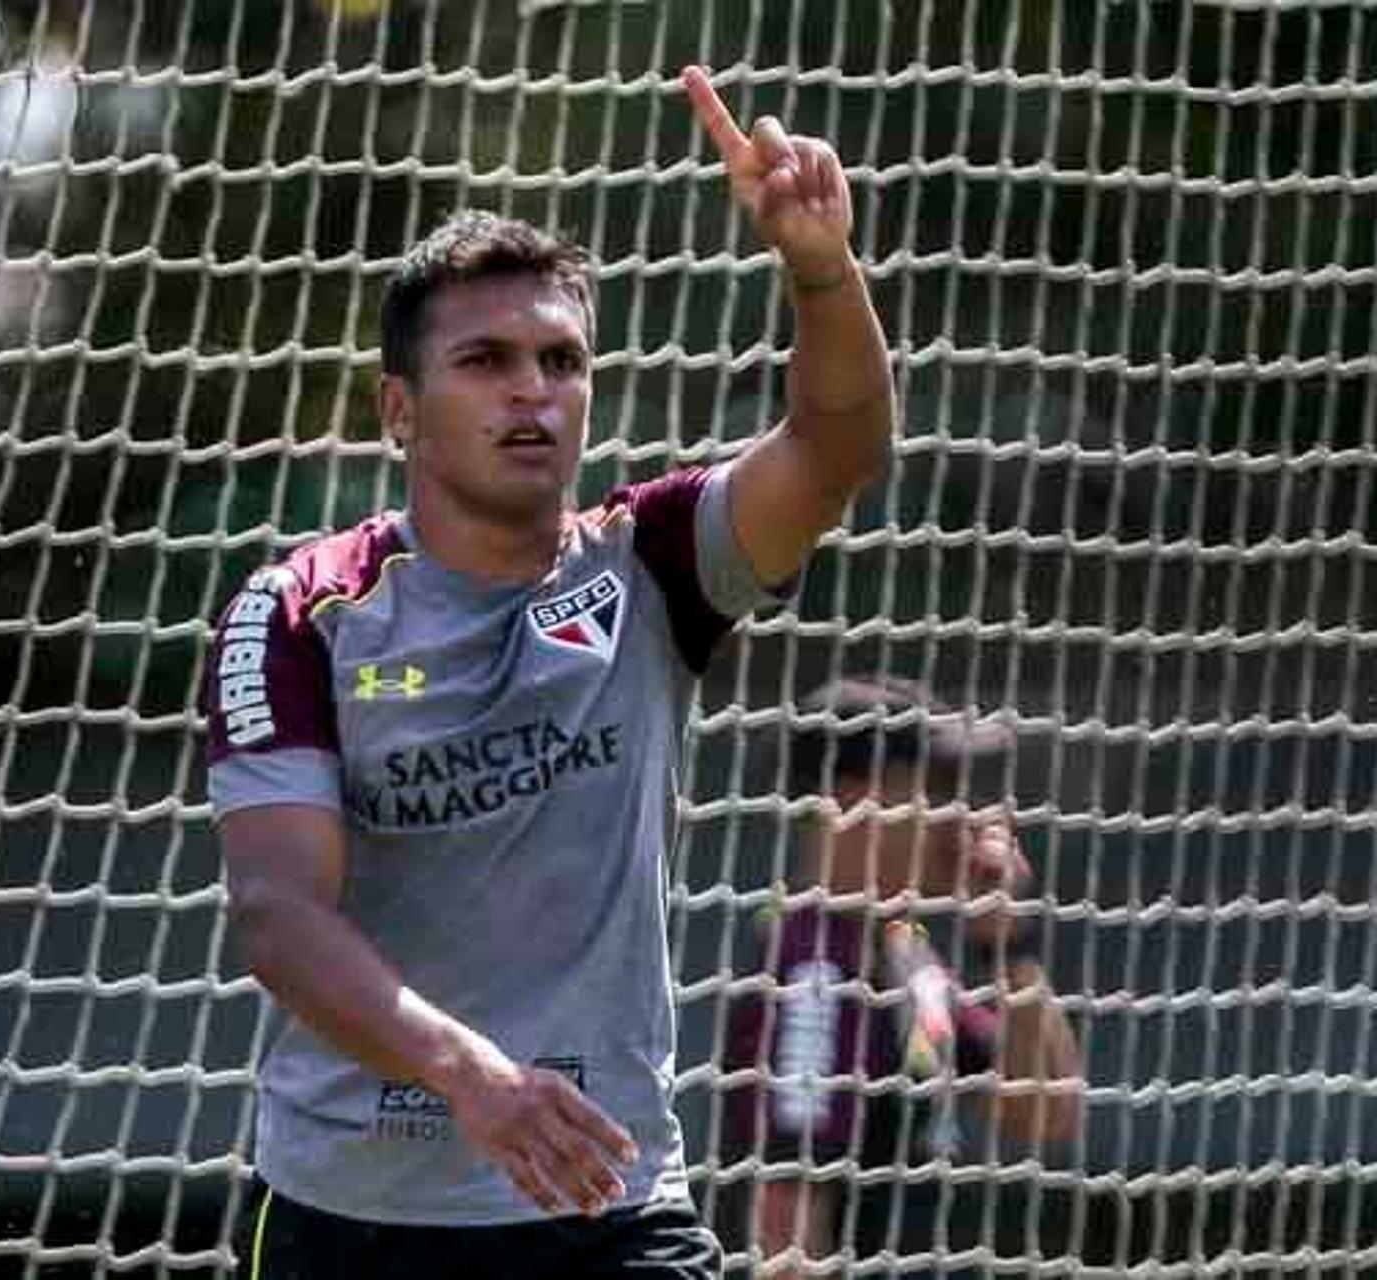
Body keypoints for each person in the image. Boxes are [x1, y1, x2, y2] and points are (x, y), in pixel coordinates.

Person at [200, 67, 893, 1279]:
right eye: (486, 360)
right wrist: (474, 1076)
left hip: (606, 1207)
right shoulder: (301, 611)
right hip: (356, 1218)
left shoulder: (653, 562)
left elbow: (835, 448)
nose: (534, 388)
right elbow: (278, 911)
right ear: (398, 410)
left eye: (561, 360)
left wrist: (822, 272)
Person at [721, 677, 1085, 1277]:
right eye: (939, 788)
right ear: (854, 801)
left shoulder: (902, 947)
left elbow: (1044, 1118)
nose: (964, 815)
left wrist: (1008, 943)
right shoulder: (813, 967)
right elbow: (786, 1231)